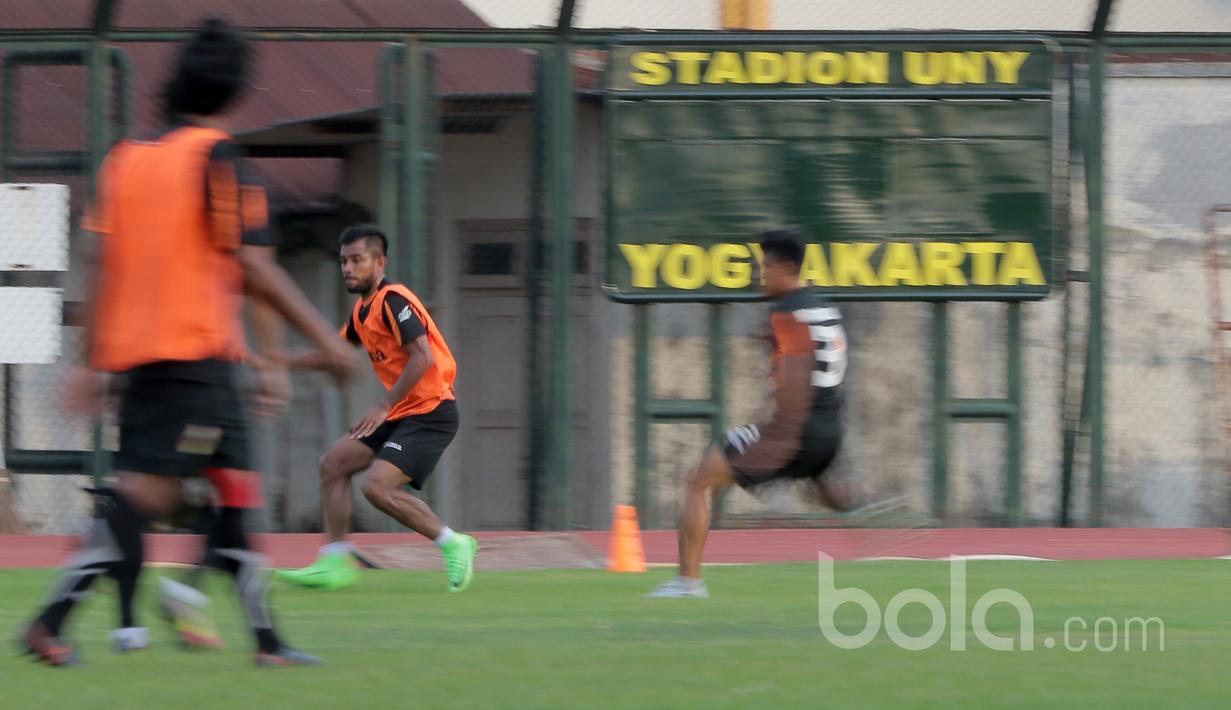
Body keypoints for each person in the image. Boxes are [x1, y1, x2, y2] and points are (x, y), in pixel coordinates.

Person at [19, 18, 356, 667]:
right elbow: (254, 265)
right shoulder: (215, 156)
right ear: (234, 89)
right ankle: (50, 619)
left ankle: (267, 642)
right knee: (149, 497)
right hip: (192, 356)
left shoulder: (125, 160)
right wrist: (328, 341)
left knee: (235, 492)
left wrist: (91, 362)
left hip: (150, 359)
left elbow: (99, 260)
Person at [647, 229, 857, 599]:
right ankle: (866, 506)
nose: (761, 274)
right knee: (822, 485)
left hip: (794, 433)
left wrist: (778, 440)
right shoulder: (821, 305)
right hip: (828, 430)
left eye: (767, 267)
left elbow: (796, 379)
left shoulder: (787, 312)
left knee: (698, 480)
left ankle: (688, 583)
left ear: (787, 267)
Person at [276, 225, 478, 592]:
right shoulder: (361, 313)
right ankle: (335, 561)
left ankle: (453, 542)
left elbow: (422, 357)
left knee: (376, 488)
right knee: (333, 464)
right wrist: (274, 360)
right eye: (343, 261)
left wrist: (384, 406)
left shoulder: (393, 301)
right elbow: (331, 355)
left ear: (380, 262)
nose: (348, 268)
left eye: (357, 260)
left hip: (431, 413)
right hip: (401, 412)